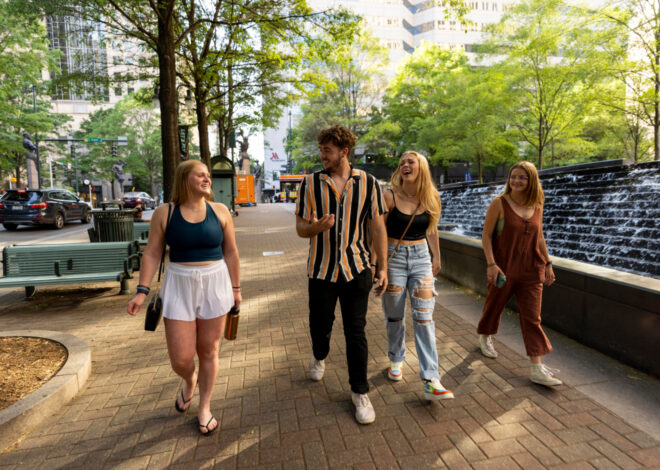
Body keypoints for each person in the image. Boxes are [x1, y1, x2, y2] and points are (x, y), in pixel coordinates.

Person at [127, 160, 241, 435]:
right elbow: (153, 253)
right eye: (200, 175)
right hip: (178, 283)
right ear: (184, 179)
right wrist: (142, 290)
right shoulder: (165, 213)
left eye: (208, 175)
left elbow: (231, 253)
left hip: (215, 283)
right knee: (180, 357)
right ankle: (190, 379)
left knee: (209, 350)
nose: (207, 179)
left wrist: (236, 290)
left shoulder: (220, 210)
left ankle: (204, 406)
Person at [295, 124, 388, 425]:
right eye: (321, 149)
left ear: (343, 152)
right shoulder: (309, 184)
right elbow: (300, 229)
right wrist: (316, 228)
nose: (322, 155)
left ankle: (360, 391)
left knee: (356, 331)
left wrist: (382, 266)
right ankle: (319, 353)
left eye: (327, 150)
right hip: (321, 271)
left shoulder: (369, 183)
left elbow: (377, 228)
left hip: (356, 269)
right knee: (320, 325)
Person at [477, 161, 561, 386]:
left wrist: (548, 263)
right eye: (513, 176)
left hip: (532, 269)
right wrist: (491, 264)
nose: (516, 181)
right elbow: (486, 236)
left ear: (531, 180)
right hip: (504, 267)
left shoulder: (537, 205)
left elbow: (540, 237)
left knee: (533, 318)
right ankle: (485, 336)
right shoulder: (500, 203)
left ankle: (536, 367)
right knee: (494, 305)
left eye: (522, 177)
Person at [379, 151, 455, 400]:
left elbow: (432, 230)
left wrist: (437, 256)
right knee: (395, 316)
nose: (405, 165)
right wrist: (378, 264)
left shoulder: (432, 196)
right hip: (394, 257)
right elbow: (377, 232)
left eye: (410, 162)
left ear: (421, 167)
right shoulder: (389, 196)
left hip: (421, 257)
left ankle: (432, 378)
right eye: (402, 163)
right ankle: (396, 360)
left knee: (424, 318)